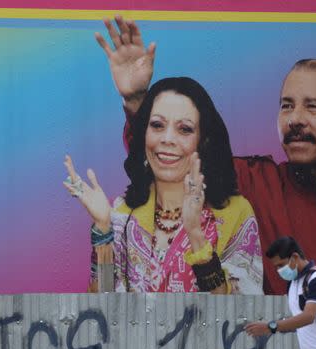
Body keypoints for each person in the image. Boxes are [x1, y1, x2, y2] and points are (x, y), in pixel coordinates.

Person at [95, 16, 316, 295]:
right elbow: (174, 159)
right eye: (286, 106)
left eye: (312, 107)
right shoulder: (257, 184)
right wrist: (138, 101)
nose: (295, 119)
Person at [63, 76, 263, 294]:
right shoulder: (123, 213)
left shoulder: (235, 213)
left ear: (203, 140)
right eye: (157, 125)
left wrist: (195, 234)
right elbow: (102, 311)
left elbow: (240, 314)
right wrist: (103, 228)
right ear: (144, 134)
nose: (167, 139)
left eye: (184, 129)